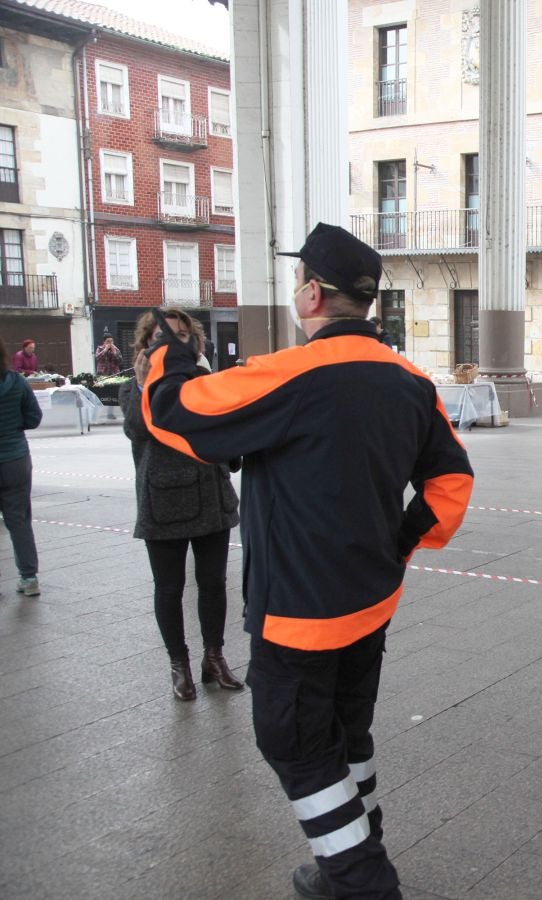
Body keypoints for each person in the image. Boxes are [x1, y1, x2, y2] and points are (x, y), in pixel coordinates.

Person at [140, 222, 474, 900]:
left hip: (298, 607)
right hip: (371, 597)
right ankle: (349, 851)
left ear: (313, 294)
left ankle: (361, 880)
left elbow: (173, 415)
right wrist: (400, 545)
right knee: (346, 733)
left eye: (300, 281)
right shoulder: (410, 379)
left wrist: (167, 357)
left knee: (293, 740)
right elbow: (451, 484)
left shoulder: (287, 373)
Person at [122, 310, 242, 702]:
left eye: (183, 335)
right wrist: (144, 384)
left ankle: (214, 657)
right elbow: (137, 430)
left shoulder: (206, 382)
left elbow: (228, 438)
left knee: (213, 585)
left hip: (210, 497)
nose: (175, 342)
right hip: (163, 501)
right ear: (146, 345)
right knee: (169, 588)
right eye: (163, 336)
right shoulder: (135, 388)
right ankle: (179, 664)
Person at [0, 338, 42, 597]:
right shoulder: (16, 382)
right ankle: (29, 577)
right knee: (19, 520)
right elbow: (34, 417)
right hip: (15, 458)